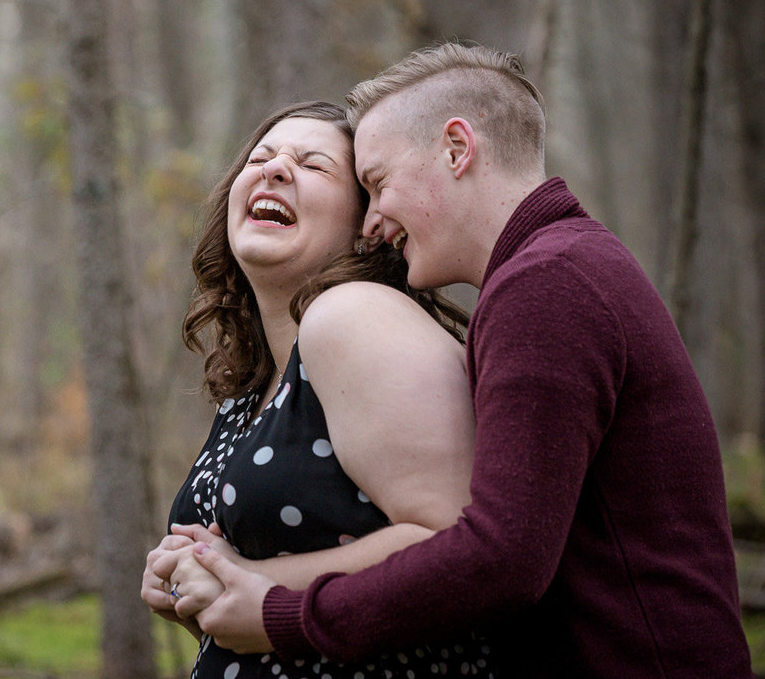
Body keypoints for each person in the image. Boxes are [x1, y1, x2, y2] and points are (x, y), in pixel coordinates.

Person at [175, 44, 753, 678]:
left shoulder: (548, 282)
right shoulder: (554, 273)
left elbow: (499, 557)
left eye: (377, 183)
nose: (374, 223)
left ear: (456, 149)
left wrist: (278, 612)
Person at [141, 100, 496, 678]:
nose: (274, 169)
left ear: (368, 228)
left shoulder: (353, 315)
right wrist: (190, 583)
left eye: (313, 165)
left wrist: (248, 584)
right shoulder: (255, 385)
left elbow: (454, 540)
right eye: (260, 157)